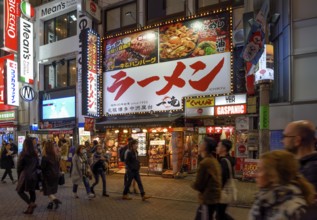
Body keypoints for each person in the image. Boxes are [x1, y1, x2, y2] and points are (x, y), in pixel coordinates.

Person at [249, 150, 315, 220]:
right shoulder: (264, 202)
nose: (256, 175)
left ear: (272, 175)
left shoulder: (294, 209)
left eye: (260, 170)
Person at [192, 137, 221, 220]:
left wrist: (192, 183)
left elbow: (198, 184)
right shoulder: (213, 161)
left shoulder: (205, 163)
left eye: (202, 143)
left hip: (207, 200)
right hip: (213, 199)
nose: (199, 144)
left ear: (205, 147)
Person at [283, 120, 317, 191]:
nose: (282, 141)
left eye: (285, 136)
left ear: (297, 140)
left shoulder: (311, 171)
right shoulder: (301, 165)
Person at [16, 137, 39, 215]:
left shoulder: (23, 153)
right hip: (34, 175)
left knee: (19, 191)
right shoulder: (35, 153)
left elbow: (19, 166)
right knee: (32, 192)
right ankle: (30, 209)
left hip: (25, 175)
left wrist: (19, 176)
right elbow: (37, 165)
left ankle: (30, 204)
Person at [216, 139, 235, 220]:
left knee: (220, 215)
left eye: (218, 146)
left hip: (223, 193)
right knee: (220, 215)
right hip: (226, 192)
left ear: (223, 148)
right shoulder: (229, 159)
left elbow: (222, 178)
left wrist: (217, 191)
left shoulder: (224, 161)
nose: (216, 148)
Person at [41, 141, 62, 210]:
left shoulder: (45, 157)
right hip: (56, 175)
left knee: (48, 191)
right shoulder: (56, 156)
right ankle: (51, 204)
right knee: (52, 191)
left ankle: (55, 200)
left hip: (47, 176)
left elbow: (42, 168)